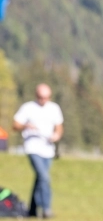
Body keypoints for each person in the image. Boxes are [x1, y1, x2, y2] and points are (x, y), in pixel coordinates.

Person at [13, 84, 63, 219]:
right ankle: (46, 209)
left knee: (40, 179)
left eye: (46, 97)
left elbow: (59, 127)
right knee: (44, 177)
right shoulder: (28, 108)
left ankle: (32, 211)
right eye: (41, 97)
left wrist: (56, 136)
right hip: (32, 147)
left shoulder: (54, 108)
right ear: (36, 96)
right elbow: (15, 125)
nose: (44, 100)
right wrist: (25, 125)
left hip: (48, 149)